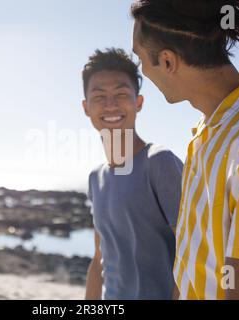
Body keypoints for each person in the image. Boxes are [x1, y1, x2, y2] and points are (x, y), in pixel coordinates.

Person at [131, 0, 239, 299]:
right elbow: (190, 268)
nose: (142, 71)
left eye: (140, 59)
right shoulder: (207, 133)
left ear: (168, 62)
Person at [82, 48, 183, 300]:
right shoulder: (96, 178)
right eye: (99, 96)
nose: (110, 105)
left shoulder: (159, 162)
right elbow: (99, 260)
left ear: (139, 102)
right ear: (86, 107)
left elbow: (193, 255)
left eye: (121, 94)